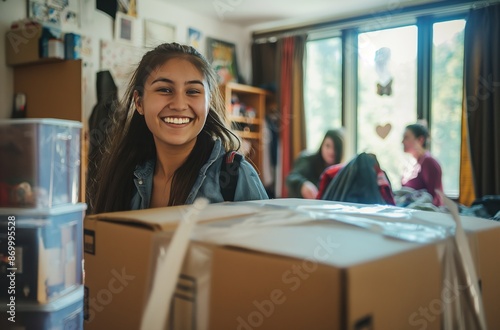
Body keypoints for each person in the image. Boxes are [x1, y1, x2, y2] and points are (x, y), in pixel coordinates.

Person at [89, 43, 268, 214]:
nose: (179, 105)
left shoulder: (236, 176)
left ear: (209, 102)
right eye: (165, 90)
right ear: (139, 102)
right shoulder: (122, 176)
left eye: (193, 91)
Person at [286, 129, 344, 199]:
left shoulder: (340, 171)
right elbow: (292, 177)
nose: (331, 151)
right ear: (322, 145)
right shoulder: (307, 160)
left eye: (336, 148)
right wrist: (302, 184)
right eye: (328, 146)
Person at [401, 123, 443, 206]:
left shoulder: (429, 163)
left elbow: (435, 199)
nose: (402, 142)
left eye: (406, 138)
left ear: (420, 140)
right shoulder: (409, 163)